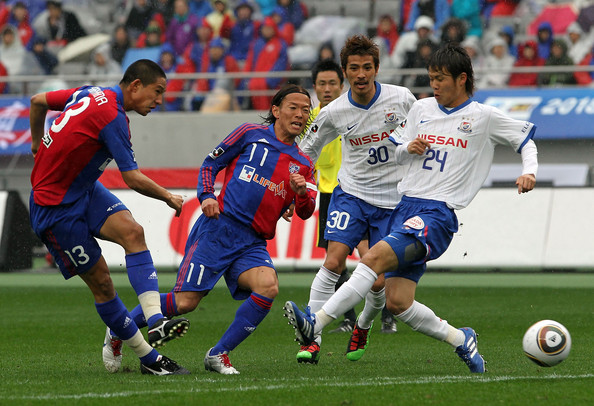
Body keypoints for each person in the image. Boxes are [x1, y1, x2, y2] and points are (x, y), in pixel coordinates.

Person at [285, 44, 539, 374]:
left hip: (437, 214)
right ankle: (461, 339)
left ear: (462, 79)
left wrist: (529, 170)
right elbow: (398, 146)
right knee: (398, 302)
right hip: (404, 205)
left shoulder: (483, 116)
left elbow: (524, 139)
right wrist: (409, 146)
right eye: (431, 78)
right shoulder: (422, 108)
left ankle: (314, 323)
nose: (433, 85)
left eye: (440, 79)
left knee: (372, 259)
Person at [126, 83, 317, 374]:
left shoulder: (304, 164)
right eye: (294, 107)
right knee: (186, 302)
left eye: (306, 110)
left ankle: (218, 354)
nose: (300, 114)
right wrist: (207, 196)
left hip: (252, 242)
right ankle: (119, 329)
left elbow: (306, 211)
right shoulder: (250, 133)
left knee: (268, 287)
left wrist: (301, 194)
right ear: (276, 110)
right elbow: (209, 165)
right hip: (219, 229)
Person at [29, 59, 191, 375]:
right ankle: (150, 359)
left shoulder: (91, 92)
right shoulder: (112, 117)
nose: (159, 101)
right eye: (157, 92)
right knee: (103, 283)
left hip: (83, 188)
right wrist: (169, 196)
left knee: (133, 232)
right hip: (55, 208)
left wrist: (37, 144)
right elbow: (131, 178)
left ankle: (156, 321)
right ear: (135, 86)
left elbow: (37, 102)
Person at [294, 35, 416, 364]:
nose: (360, 74)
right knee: (334, 261)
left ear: (376, 69)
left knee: (377, 282)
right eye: (353, 68)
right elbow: (303, 152)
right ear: (346, 72)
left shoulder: (402, 98)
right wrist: (296, 184)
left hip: (392, 201)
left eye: (366, 67)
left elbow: (424, 133)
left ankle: (362, 324)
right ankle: (312, 338)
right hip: (351, 194)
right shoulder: (334, 112)